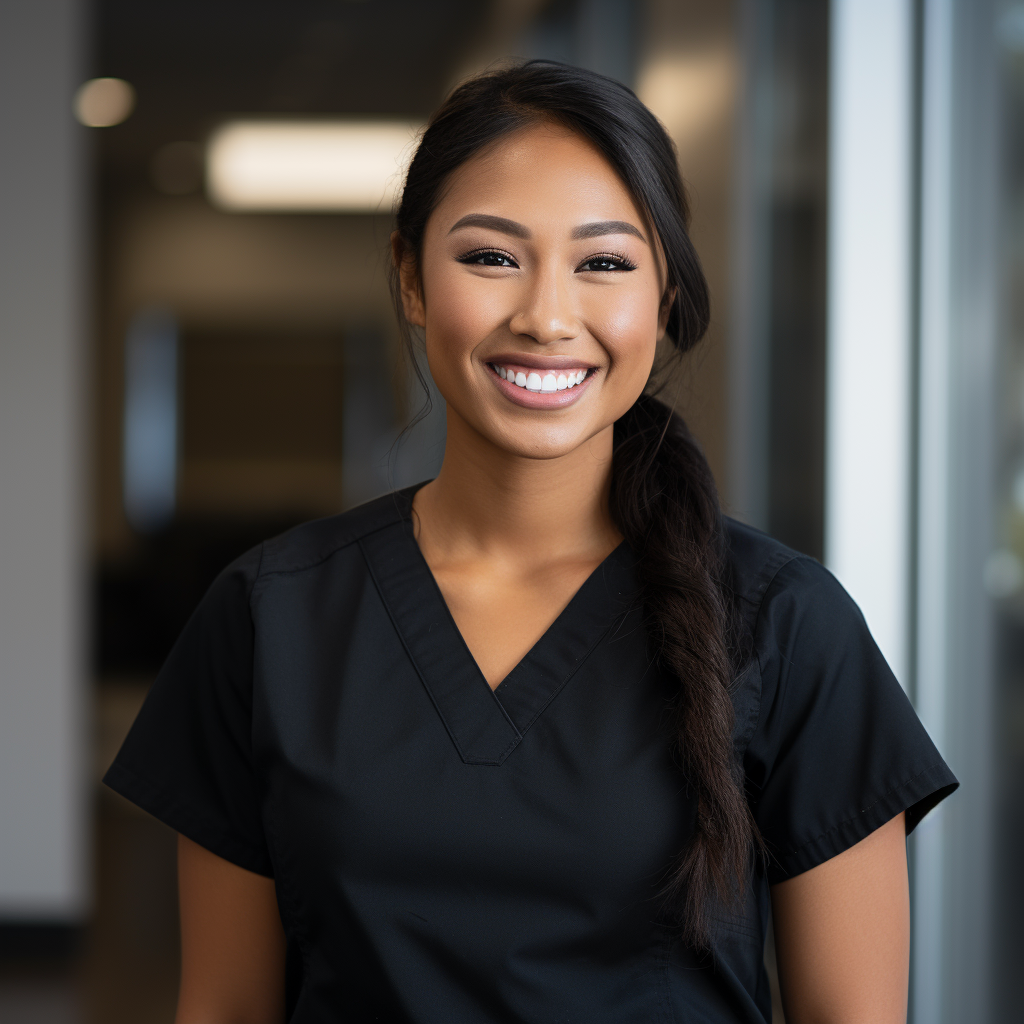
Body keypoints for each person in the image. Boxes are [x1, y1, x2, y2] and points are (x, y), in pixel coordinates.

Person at [105, 60, 957, 1024]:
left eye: (603, 262)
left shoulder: (785, 624)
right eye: (491, 257)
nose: (548, 317)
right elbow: (222, 1006)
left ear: (664, 291)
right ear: (410, 279)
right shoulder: (272, 616)